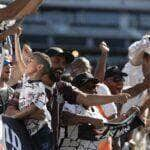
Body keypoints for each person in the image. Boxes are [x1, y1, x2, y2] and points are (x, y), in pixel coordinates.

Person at [6, 52, 54, 150]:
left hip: (42, 133)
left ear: (39, 67)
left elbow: (31, 110)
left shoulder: (40, 89)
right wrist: (16, 38)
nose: (26, 62)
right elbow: (20, 62)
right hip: (30, 133)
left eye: (30, 61)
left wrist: (13, 117)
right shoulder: (26, 79)